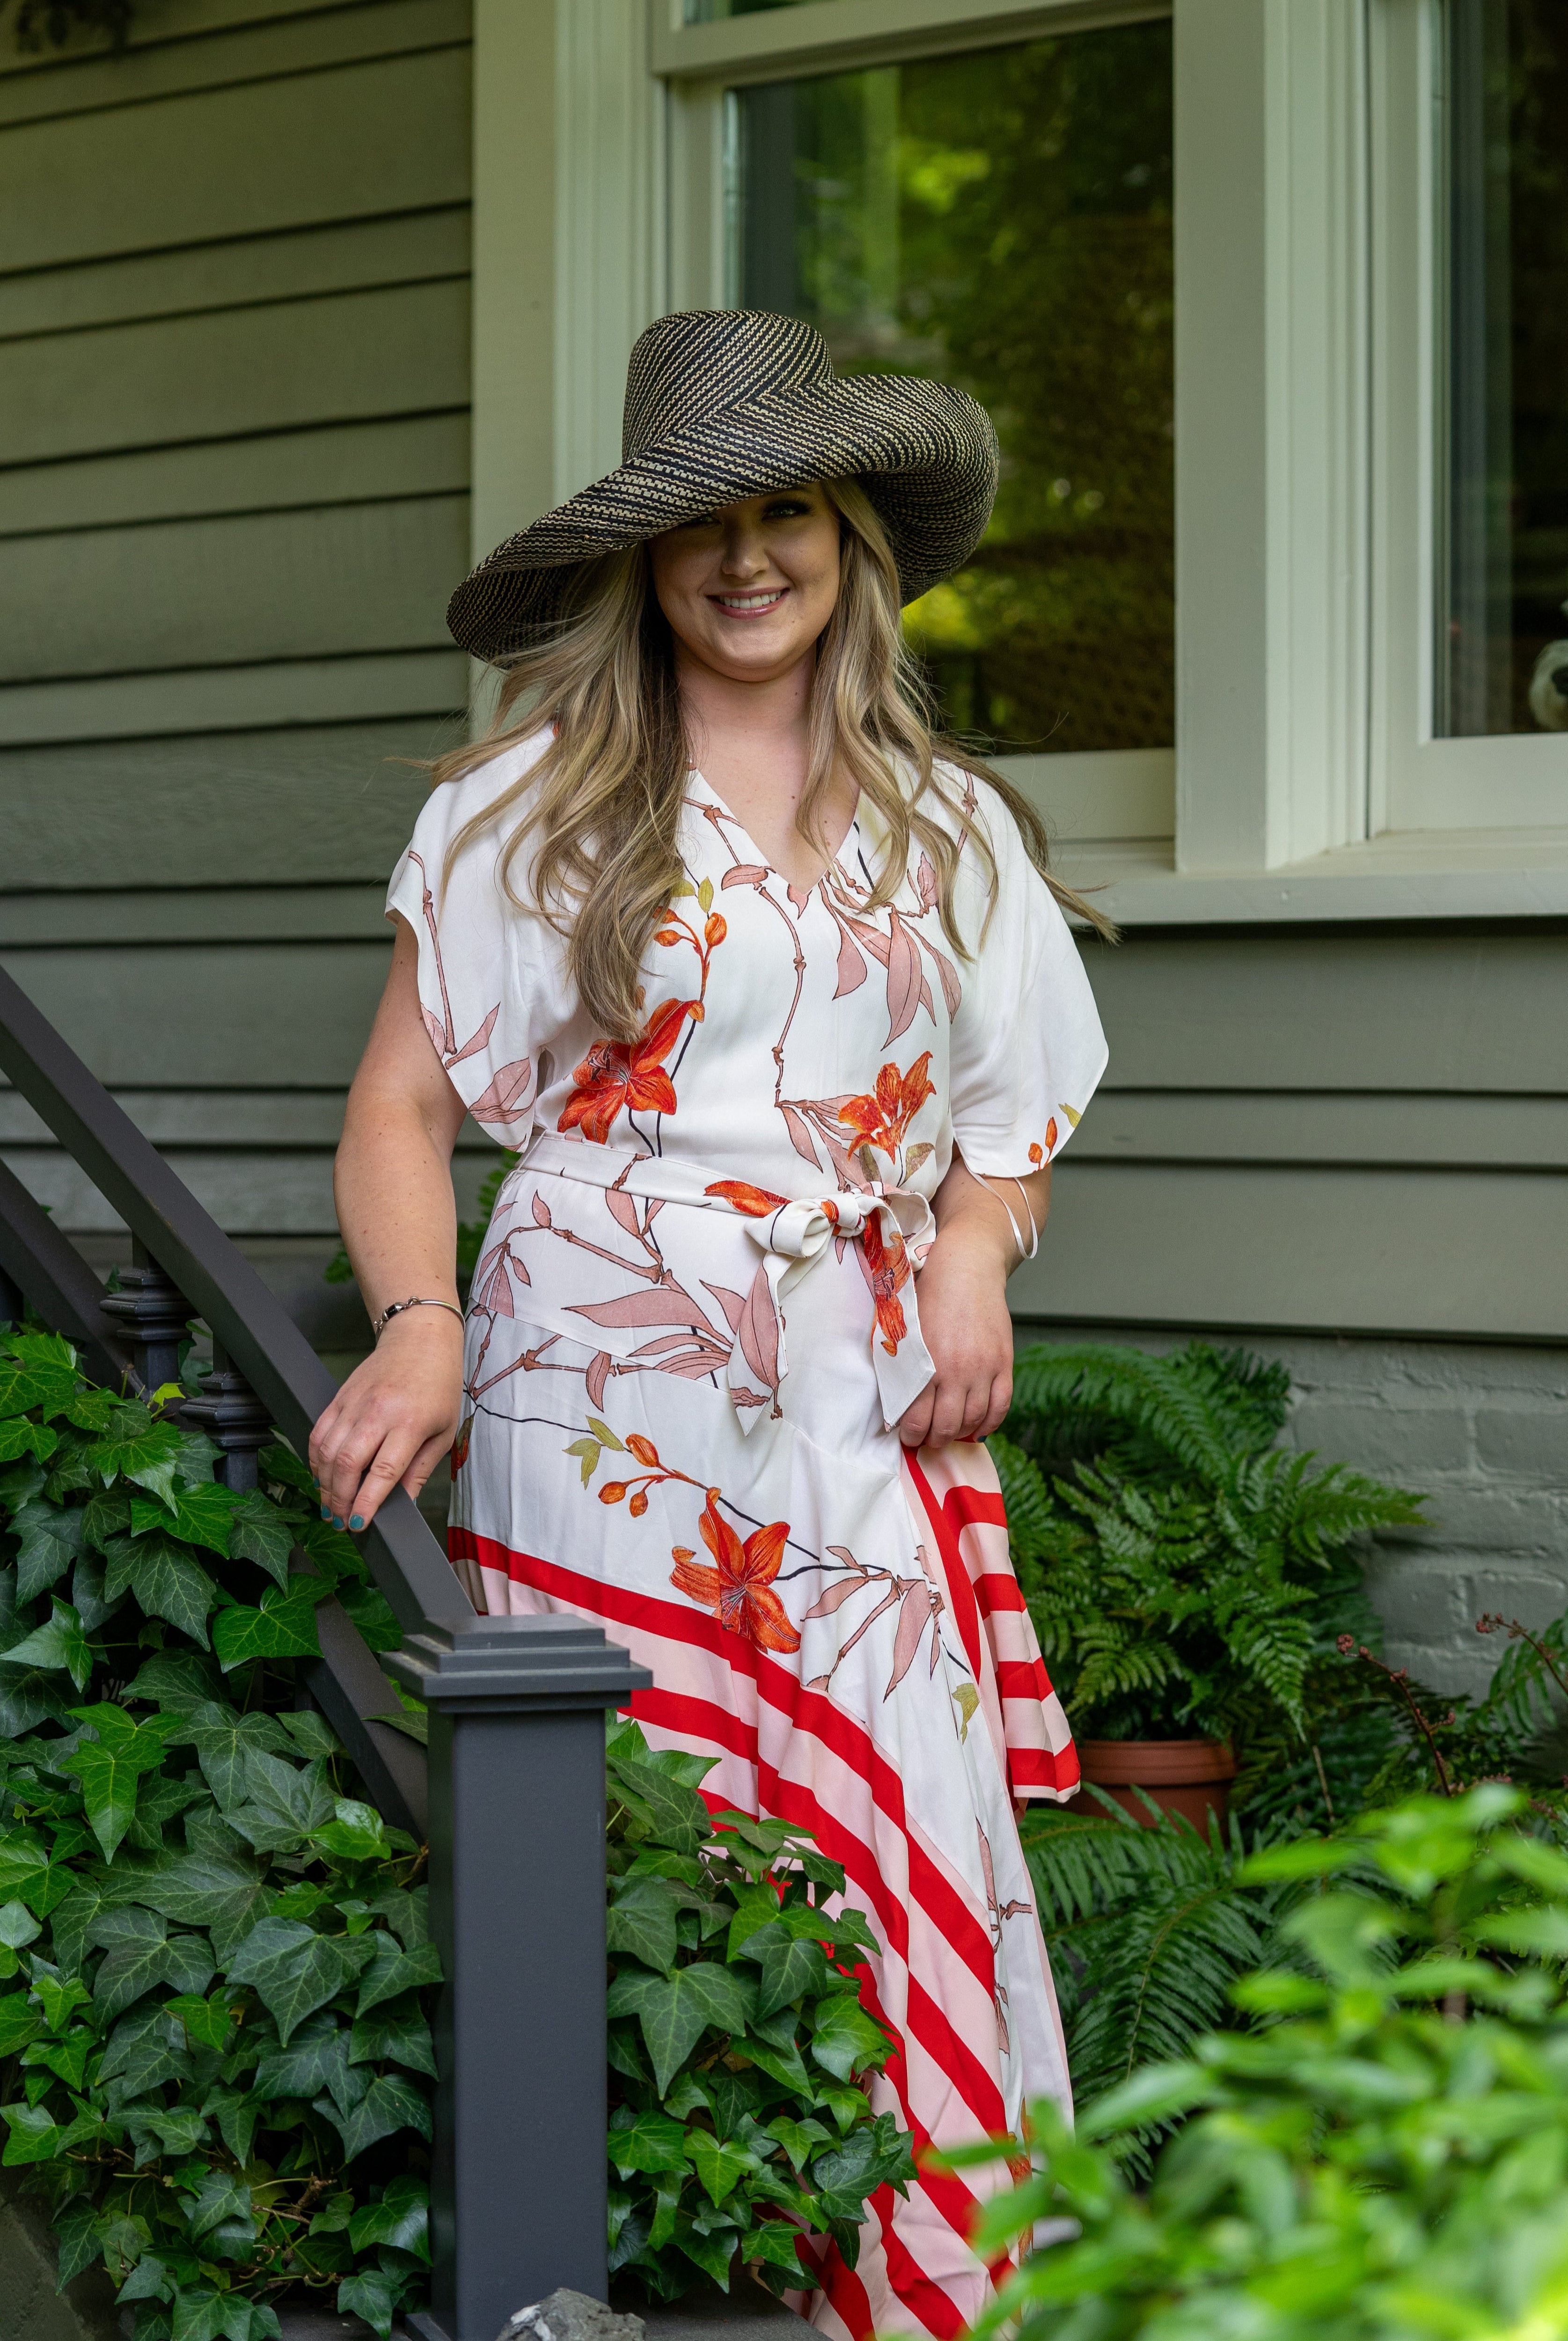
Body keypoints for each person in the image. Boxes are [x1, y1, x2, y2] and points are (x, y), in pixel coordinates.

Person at [311, 308, 1109, 2339]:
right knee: (641, 1820)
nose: (748, 556)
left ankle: (909, 2291)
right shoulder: (535, 800)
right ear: (640, 563)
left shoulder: (955, 831)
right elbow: (403, 1102)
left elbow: (1007, 1125)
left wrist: (970, 1245)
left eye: (788, 513)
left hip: (861, 1384)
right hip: (603, 1378)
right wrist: (418, 1327)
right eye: (703, 523)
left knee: (888, 1804)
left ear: (849, 543)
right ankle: (647, 2280)